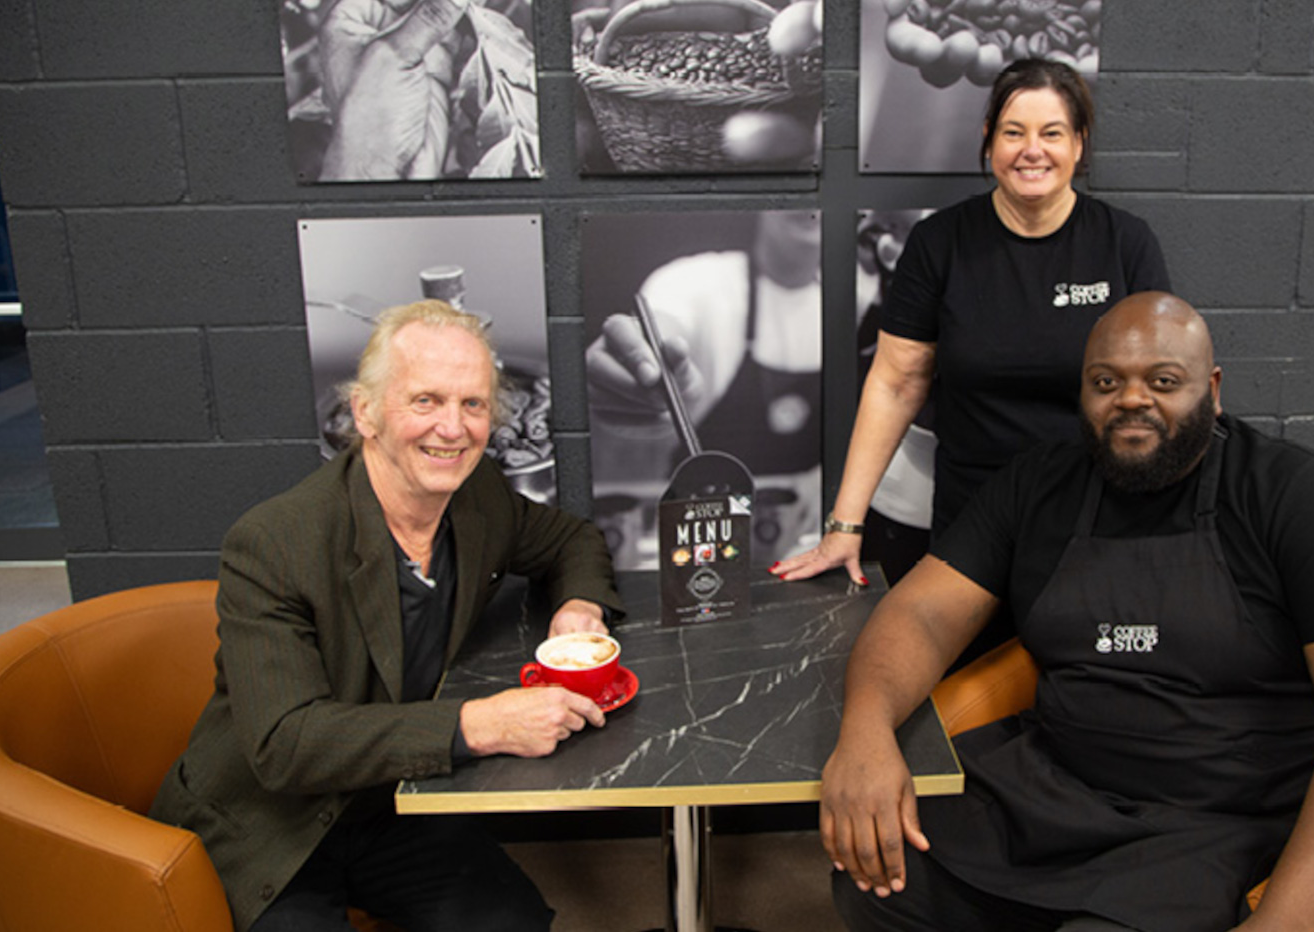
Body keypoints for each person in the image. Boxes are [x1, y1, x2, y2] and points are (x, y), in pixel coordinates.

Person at [820, 292, 1314, 932]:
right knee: (877, 881)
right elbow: (920, 614)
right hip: (1055, 786)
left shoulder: (1299, 495)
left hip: (1212, 819)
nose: (1132, 399)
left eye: (1163, 381)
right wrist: (865, 733)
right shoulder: (1038, 484)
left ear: (1213, 389)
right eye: (1105, 382)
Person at [150, 300, 624, 932]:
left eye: (473, 404)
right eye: (425, 401)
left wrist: (578, 607)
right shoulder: (273, 541)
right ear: (365, 412)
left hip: (392, 805)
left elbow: (572, 541)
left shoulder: (476, 495)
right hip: (272, 822)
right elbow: (284, 745)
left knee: (512, 922)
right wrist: (475, 724)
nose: (453, 429)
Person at [776, 59, 1170, 654]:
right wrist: (844, 527)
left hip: (1095, 517)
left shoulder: (1124, 244)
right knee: (963, 696)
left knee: (1076, 693)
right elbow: (895, 382)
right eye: (1013, 132)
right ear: (988, 139)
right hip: (974, 526)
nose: (1031, 150)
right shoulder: (941, 244)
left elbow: (1162, 394)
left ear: (1079, 143)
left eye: (1052, 133)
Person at [585, 210, 823, 569]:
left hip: (804, 537)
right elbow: (664, 324)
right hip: (697, 525)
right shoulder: (699, 281)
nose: (812, 206)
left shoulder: (863, 295)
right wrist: (647, 361)